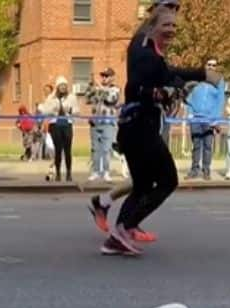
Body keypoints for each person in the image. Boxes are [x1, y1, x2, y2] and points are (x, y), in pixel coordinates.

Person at [99, 6, 220, 256]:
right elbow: (138, 85)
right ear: (152, 27)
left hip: (137, 125)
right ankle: (121, 228)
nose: (172, 30)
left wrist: (177, 88)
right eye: (166, 25)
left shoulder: (151, 53)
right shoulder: (145, 55)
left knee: (143, 184)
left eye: (175, 26)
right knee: (168, 179)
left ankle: (119, 233)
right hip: (139, 127)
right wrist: (163, 90)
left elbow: (168, 75)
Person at [88, 0, 181, 239]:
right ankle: (121, 224)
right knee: (155, 179)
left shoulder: (154, 40)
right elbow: (141, 81)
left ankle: (115, 213)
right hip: (138, 121)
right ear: (155, 11)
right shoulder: (143, 40)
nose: (173, 15)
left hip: (147, 117)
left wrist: (171, 91)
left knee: (144, 179)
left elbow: (162, 75)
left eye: (176, 10)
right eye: (168, 8)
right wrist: (161, 90)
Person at [185, 59, 226, 181]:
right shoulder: (198, 80)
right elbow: (189, 98)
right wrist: (190, 113)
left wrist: (215, 119)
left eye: (214, 65)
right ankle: (194, 170)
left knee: (208, 145)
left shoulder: (219, 80)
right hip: (196, 118)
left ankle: (206, 170)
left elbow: (220, 101)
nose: (211, 67)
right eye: (209, 65)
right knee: (196, 145)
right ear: (205, 66)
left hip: (210, 119)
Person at [39, 77, 78, 182]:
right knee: (58, 150)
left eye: (65, 85)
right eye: (61, 85)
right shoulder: (51, 98)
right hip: (55, 125)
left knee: (68, 150)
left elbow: (76, 111)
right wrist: (52, 109)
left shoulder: (71, 97)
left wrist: (70, 110)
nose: (63, 87)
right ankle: (58, 173)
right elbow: (44, 111)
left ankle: (69, 173)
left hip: (67, 124)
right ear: (57, 87)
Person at [86, 68, 121, 182]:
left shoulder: (115, 89)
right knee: (95, 148)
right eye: (103, 76)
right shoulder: (97, 89)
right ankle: (95, 171)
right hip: (95, 122)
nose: (104, 78)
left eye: (107, 76)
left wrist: (100, 88)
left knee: (106, 149)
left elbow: (111, 99)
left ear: (112, 77)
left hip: (108, 123)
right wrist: (91, 85)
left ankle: (106, 172)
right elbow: (88, 99)